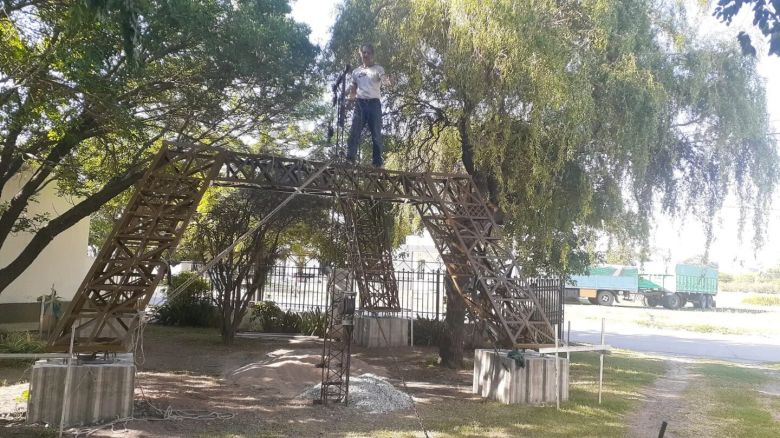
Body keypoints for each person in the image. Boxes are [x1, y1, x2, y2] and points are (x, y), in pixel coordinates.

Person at [346, 44, 386, 168]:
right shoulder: (356, 72)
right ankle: (350, 159)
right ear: (361, 54)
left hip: (374, 104)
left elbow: (384, 80)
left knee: (376, 134)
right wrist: (349, 100)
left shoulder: (378, 69)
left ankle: (377, 163)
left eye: (368, 53)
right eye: (364, 52)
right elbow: (353, 89)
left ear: (372, 55)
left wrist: (389, 82)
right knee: (354, 132)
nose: (366, 55)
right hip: (360, 104)